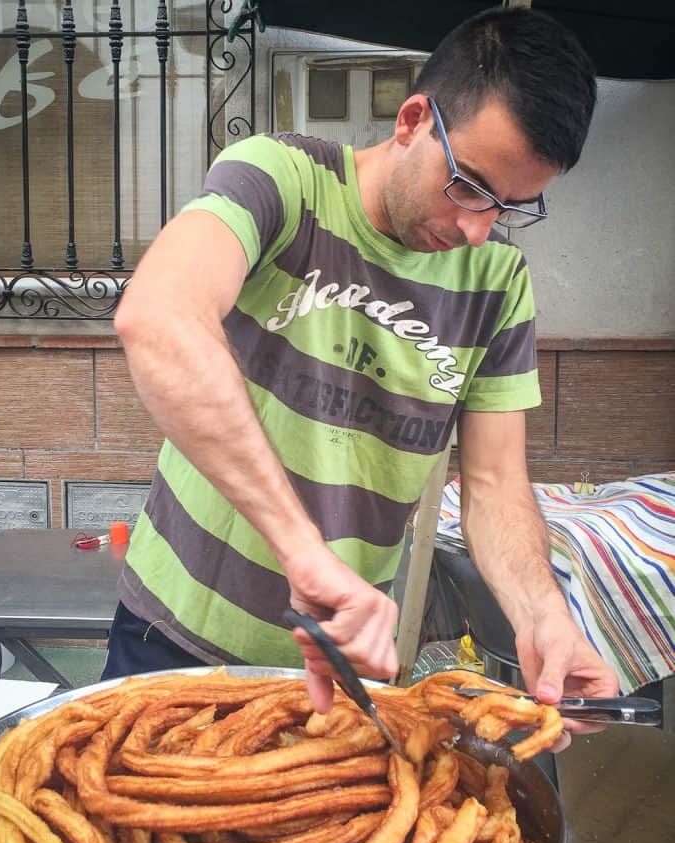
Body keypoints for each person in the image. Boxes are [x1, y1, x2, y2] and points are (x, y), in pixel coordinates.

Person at [103, 6, 619, 743]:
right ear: (413, 120)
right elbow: (158, 317)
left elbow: (498, 485)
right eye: (470, 184)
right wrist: (304, 554)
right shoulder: (283, 178)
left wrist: (546, 619)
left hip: (338, 675)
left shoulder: (498, 282)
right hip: (171, 638)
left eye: (511, 205)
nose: (477, 228)